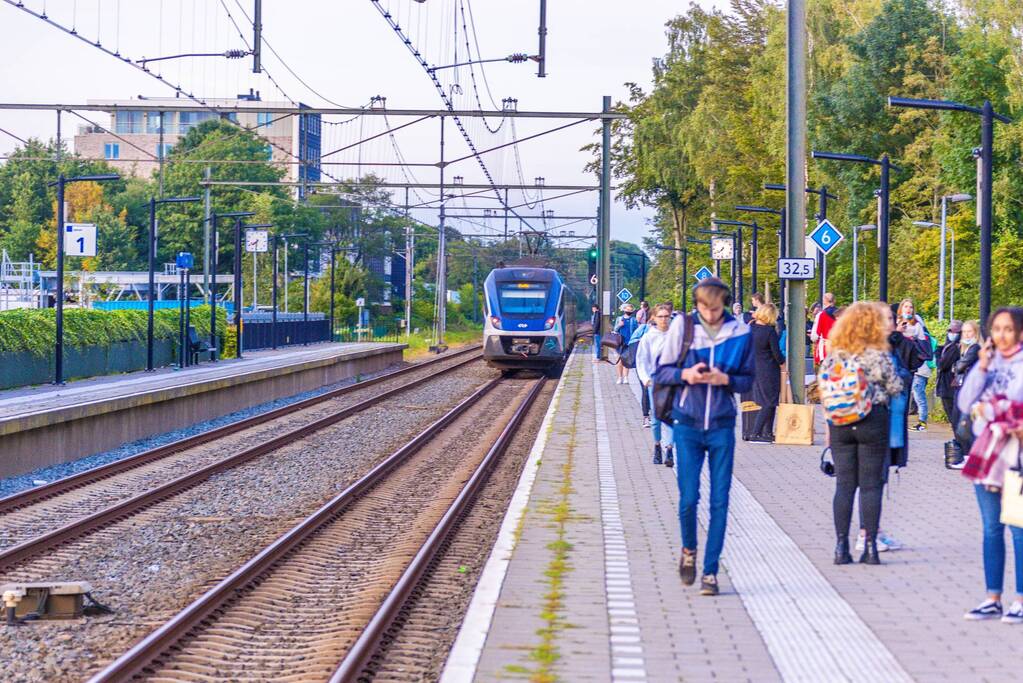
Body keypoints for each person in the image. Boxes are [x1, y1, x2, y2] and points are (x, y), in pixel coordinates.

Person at [655, 277, 753, 596]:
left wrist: (726, 379)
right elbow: (661, 372)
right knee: (688, 498)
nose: (710, 315)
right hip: (687, 423)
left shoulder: (740, 332)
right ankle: (689, 550)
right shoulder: (683, 328)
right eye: (704, 309)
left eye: (715, 309)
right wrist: (686, 374)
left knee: (720, 500)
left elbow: (748, 379)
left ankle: (710, 572)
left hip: (722, 424)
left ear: (724, 304)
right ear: (697, 305)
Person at [818, 302, 904, 565]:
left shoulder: (834, 357)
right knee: (870, 486)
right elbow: (895, 387)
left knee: (844, 486)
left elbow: (823, 392)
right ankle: (870, 548)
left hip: (840, 424)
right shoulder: (877, 355)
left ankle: (841, 547)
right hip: (871, 421)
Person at [957, 307, 1023, 623]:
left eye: (1008, 329)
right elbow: (964, 402)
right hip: (986, 453)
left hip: (1016, 454)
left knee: (1018, 528)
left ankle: (1020, 599)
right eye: (996, 329)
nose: (1001, 335)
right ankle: (992, 598)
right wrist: (982, 366)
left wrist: (994, 409)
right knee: (991, 528)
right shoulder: (989, 363)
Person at [636, 303, 674, 466]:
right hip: (655, 381)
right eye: (661, 316)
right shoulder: (648, 337)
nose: (664, 319)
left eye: (666, 316)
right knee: (657, 418)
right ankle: (657, 445)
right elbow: (641, 360)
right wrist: (646, 379)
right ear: (654, 318)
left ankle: (670, 450)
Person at [749, 303, 785, 443]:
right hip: (769, 369)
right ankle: (756, 433)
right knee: (769, 402)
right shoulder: (769, 332)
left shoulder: (750, 328)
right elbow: (777, 354)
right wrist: (783, 362)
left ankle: (767, 433)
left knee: (768, 401)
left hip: (755, 368)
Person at [948, 321, 982, 464]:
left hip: (968, 389)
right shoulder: (964, 348)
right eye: (965, 332)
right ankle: (964, 452)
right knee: (958, 420)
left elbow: (960, 366)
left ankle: (967, 454)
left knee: (962, 421)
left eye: (970, 332)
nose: (967, 335)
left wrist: (956, 366)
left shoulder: (975, 348)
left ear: (976, 333)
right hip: (962, 387)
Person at [896, 299, 933, 430]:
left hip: (909, 365)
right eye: (906, 306)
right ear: (901, 308)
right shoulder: (895, 323)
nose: (908, 309)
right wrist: (897, 331)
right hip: (895, 364)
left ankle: (905, 423)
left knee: (907, 396)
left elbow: (924, 347)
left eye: (911, 307)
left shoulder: (917, 326)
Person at [936, 320, 964, 429]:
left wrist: (938, 354)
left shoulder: (954, 347)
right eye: (950, 331)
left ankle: (959, 438)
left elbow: (942, 364)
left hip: (950, 385)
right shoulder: (949, 346)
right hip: (949, 384)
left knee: (953, 416)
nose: (952, 334)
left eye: (956, 331)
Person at [613, 303, 638, 384]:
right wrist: (619, 325)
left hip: (629, 343)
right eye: (627, 310)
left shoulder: (633, 320)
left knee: (626, 361)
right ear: (624, 310)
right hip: (620, 343)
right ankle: (620, 377)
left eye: (630, 310)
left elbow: (636, 331)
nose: (629, 311)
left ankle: (626, 377)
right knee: (619, 360)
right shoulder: (619, 319)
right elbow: (615, 330)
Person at [810, 293, 838, 366]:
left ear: (825, 300)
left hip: (825, 349)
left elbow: (814, 336)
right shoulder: (841, 314)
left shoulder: (821, 314)